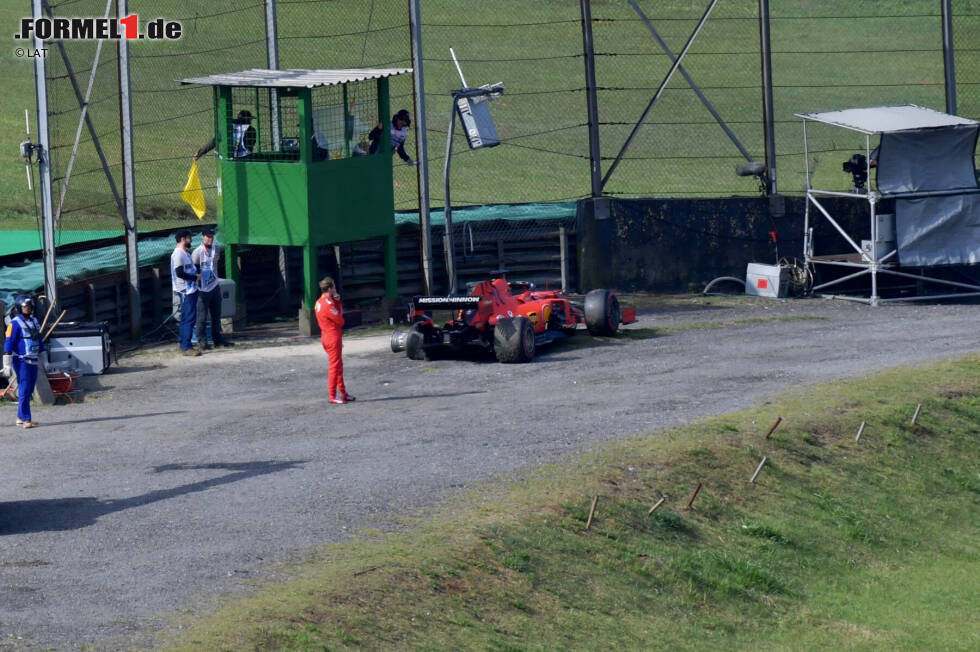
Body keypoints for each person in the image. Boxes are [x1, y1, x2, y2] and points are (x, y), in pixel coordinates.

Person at [3, 295, 45, 428]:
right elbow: (9, 342)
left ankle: (20, 417)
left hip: (33, 359)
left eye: (29, 306)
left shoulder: (34, 321)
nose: (27, 309)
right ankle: (26, 419)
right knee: (25, 388)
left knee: (29, 389)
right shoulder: (14, 323)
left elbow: (39, 338)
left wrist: (45, 357)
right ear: (19, 308)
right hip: (21, 360)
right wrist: (7, 363)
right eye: (24, 306)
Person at [191, 227, 233, 349]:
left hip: (214, 286)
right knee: (202, 316)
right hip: (202, 289)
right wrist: (199, 285)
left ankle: (218, 339)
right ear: (202, 237)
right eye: (208, 236)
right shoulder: (197, 252)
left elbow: (215, 265)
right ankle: (202, 340)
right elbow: (195, 270)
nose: (210, 238)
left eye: (212, 236)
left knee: (216, 314)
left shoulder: (217, 249)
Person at [314, 277, 354, 404]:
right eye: (334, 288)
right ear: (330, 289)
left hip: (326, 336)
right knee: (334, 367)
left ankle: (343, 393)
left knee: (338, 366)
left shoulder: (319, 302)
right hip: (333, 337)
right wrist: (338, 302)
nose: (336, 290)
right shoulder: (328, 304)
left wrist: (336, 301)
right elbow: (340, 320)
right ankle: (332, 395)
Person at [171, 230, 202, 357]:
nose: (191, 240)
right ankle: (186, 346)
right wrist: (195, 277)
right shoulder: (178, 254)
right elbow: (179, 273)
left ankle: (183, 343)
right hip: (186, 291)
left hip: (191, 290)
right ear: (183, 239)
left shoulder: (185, 253)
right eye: (189, 238)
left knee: (186, 318)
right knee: (189, 318)